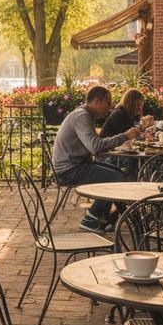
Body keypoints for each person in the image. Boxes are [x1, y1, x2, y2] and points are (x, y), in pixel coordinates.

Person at [52, 85, 142, 232]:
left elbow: (94, 146)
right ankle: (92, 219)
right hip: (69, 170)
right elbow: (95, 146)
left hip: (77, 165)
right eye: (108, 102)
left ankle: (108, 218)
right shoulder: (82, 116)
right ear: (97, 101)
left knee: (119, 173)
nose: (110, 107)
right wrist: (125, 136)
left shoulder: (85, 115)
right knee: (115, 179)